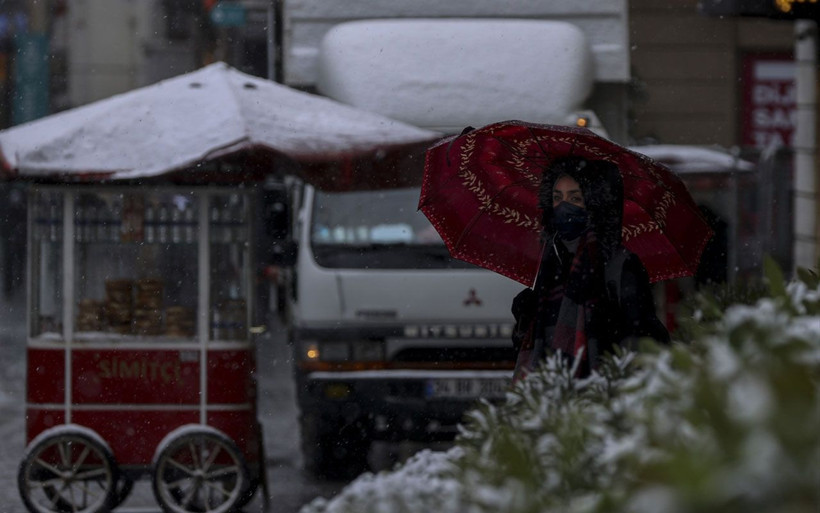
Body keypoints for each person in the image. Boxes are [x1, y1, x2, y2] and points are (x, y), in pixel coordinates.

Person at [511, 156, 669, 382]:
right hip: (550, 400)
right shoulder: (550, 261)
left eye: (575, 198)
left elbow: (645, 344)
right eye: (557, 198)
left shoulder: (621, 265)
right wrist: (523, 322)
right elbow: (537, 350)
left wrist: (612, 330)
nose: (563, 206)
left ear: (595, 203)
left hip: (601, 397)